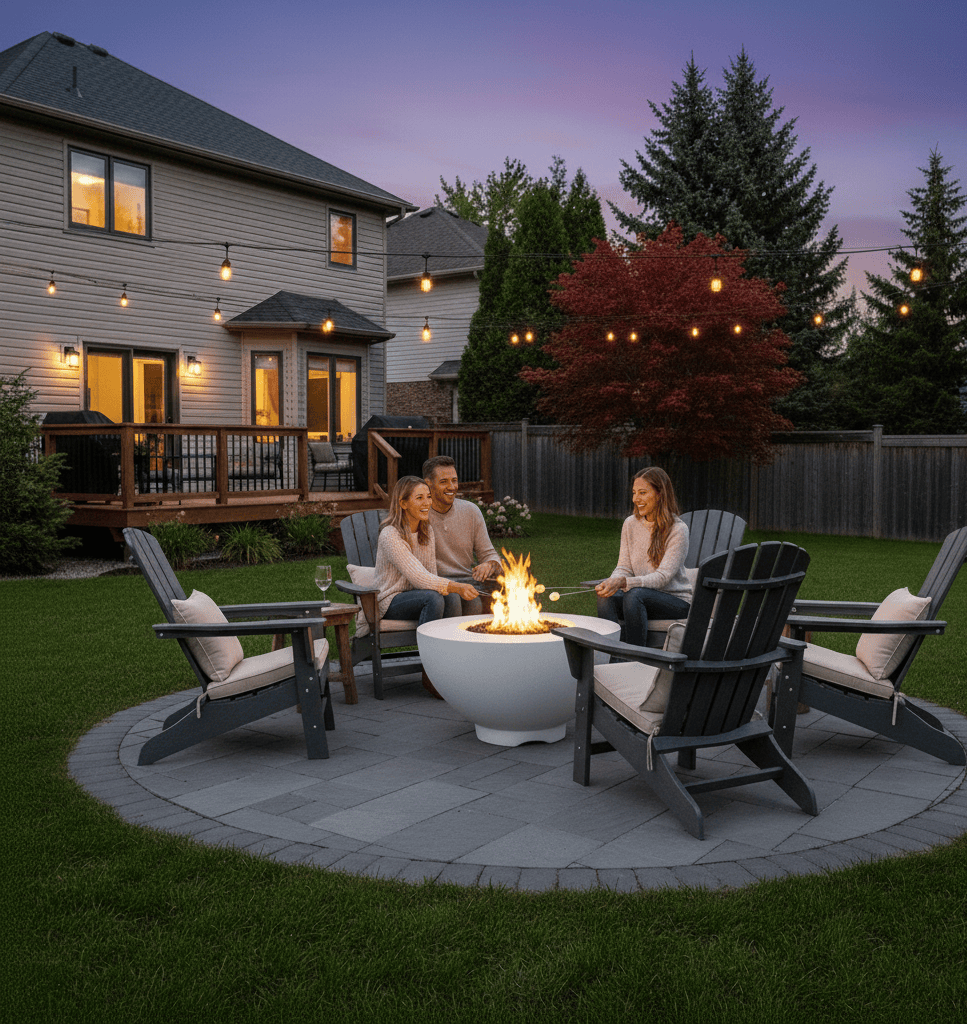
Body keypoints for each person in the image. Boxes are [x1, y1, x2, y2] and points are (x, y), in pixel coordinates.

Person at [376, 476, 479, 699]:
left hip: (417, 595)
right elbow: (418, 576)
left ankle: (452, 667)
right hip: (391, 601)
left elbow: (430, 574)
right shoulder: (390, 535)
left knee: (449, 598)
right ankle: (430, 674)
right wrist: (456, 586)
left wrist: (453, 590)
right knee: (434, 598)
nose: (427, 503)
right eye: (419, 498)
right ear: (403, 503)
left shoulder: (426, 531)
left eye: (429, 497)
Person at [595, 467, 692, 648]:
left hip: (675, 601)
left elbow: (663, 578)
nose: (635, 499)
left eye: (642, 493)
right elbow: (624, 566)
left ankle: (635, 655)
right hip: (639, 596)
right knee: (605, 596)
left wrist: (625, 582)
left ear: (660, 494)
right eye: (634, 493)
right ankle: (611, 653)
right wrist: (612, 581)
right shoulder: (630, 524)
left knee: (633, 595)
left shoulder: (678, 529)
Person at [423, 455, 502, 614]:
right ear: (428, 484)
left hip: (468, 582)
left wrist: (489, 564)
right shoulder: (420, 513)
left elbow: (489, 553)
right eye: (444, 482)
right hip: (436, 584)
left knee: (513, 594)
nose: (451, 487)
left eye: (454, 480)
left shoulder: (471, 511)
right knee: (464, 601)